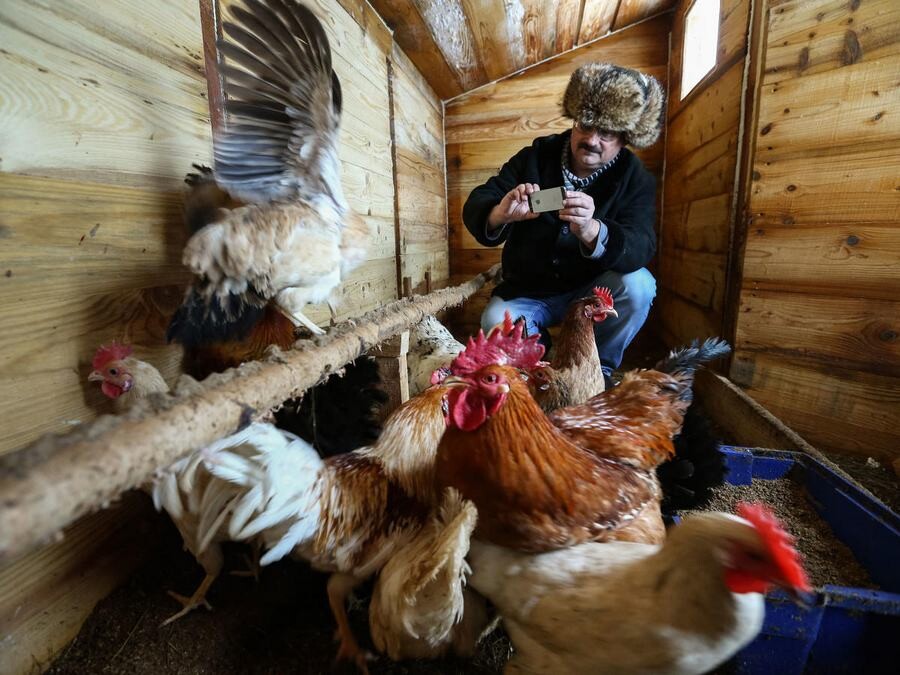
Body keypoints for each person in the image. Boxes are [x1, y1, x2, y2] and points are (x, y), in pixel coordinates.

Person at [463, 62, 665, 382]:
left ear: (625, 138)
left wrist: (593, 231)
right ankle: (540, 375)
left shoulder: (635, 177)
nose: (592, 140)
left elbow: (642, 242)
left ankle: (597, 371)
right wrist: (499, 212)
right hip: (526, 289)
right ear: (574, 121)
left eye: (607, 132)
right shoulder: (536, 155)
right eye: (586, 125)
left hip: (591, 290)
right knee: (493, 319)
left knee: (639, 286)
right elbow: (480, 198)